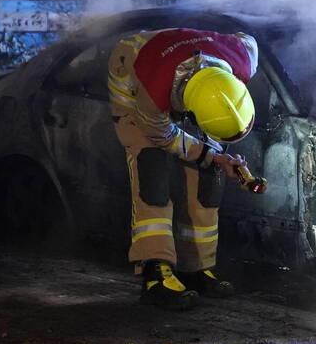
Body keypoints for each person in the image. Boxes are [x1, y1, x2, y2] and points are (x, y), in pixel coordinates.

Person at [107, 27, 257, 310]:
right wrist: (209, 155)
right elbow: (162, 136)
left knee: (207, 176)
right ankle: (156, 274)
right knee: (151, 172)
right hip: (135, 75)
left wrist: (212, 158)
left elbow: (246, 37)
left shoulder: (243, 56)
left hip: (193, 74)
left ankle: (197, 269)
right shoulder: (152, 94)